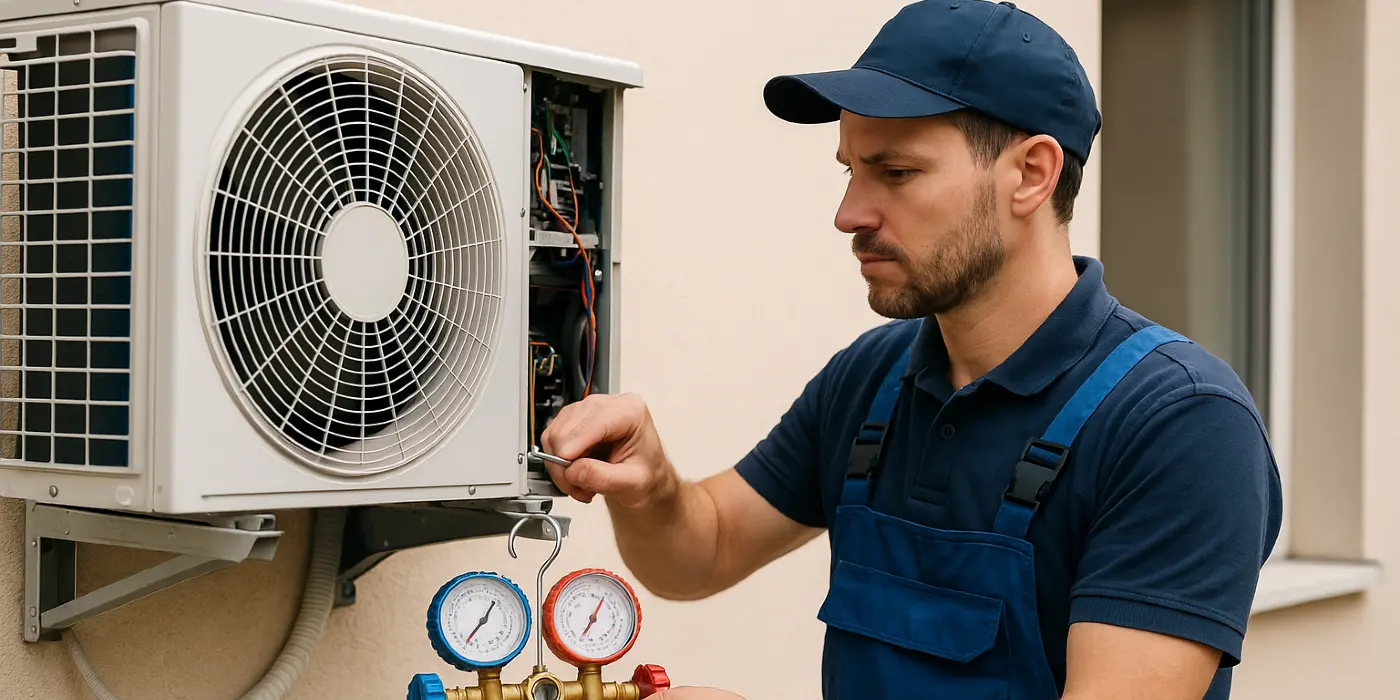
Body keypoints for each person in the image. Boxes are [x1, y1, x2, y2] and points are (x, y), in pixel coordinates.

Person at [539, 1, 1283, 698]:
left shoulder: (1181, 425)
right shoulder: (874, 378)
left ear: (1032, 173)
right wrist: (652, 485)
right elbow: (702, 551)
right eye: (850, 171)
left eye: (896, 173)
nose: (848, 213)